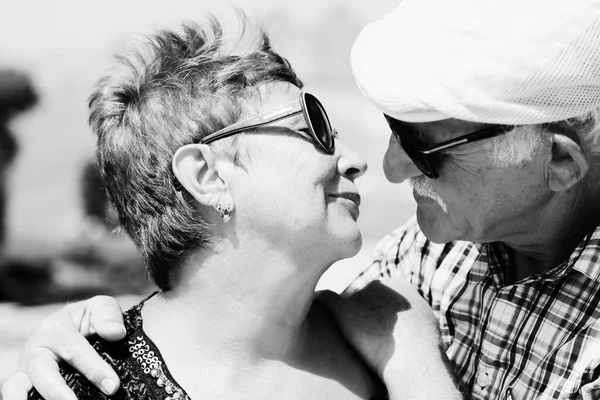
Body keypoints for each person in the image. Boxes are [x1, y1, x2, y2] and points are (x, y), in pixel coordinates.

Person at [5, 0, 600, 398]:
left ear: (559, 165)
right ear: (208, 176)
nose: (383, 166)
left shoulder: (394, 318)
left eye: (425, 146)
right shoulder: (417, 265)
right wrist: (85, 340)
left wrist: (418, 368)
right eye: (314, 125)